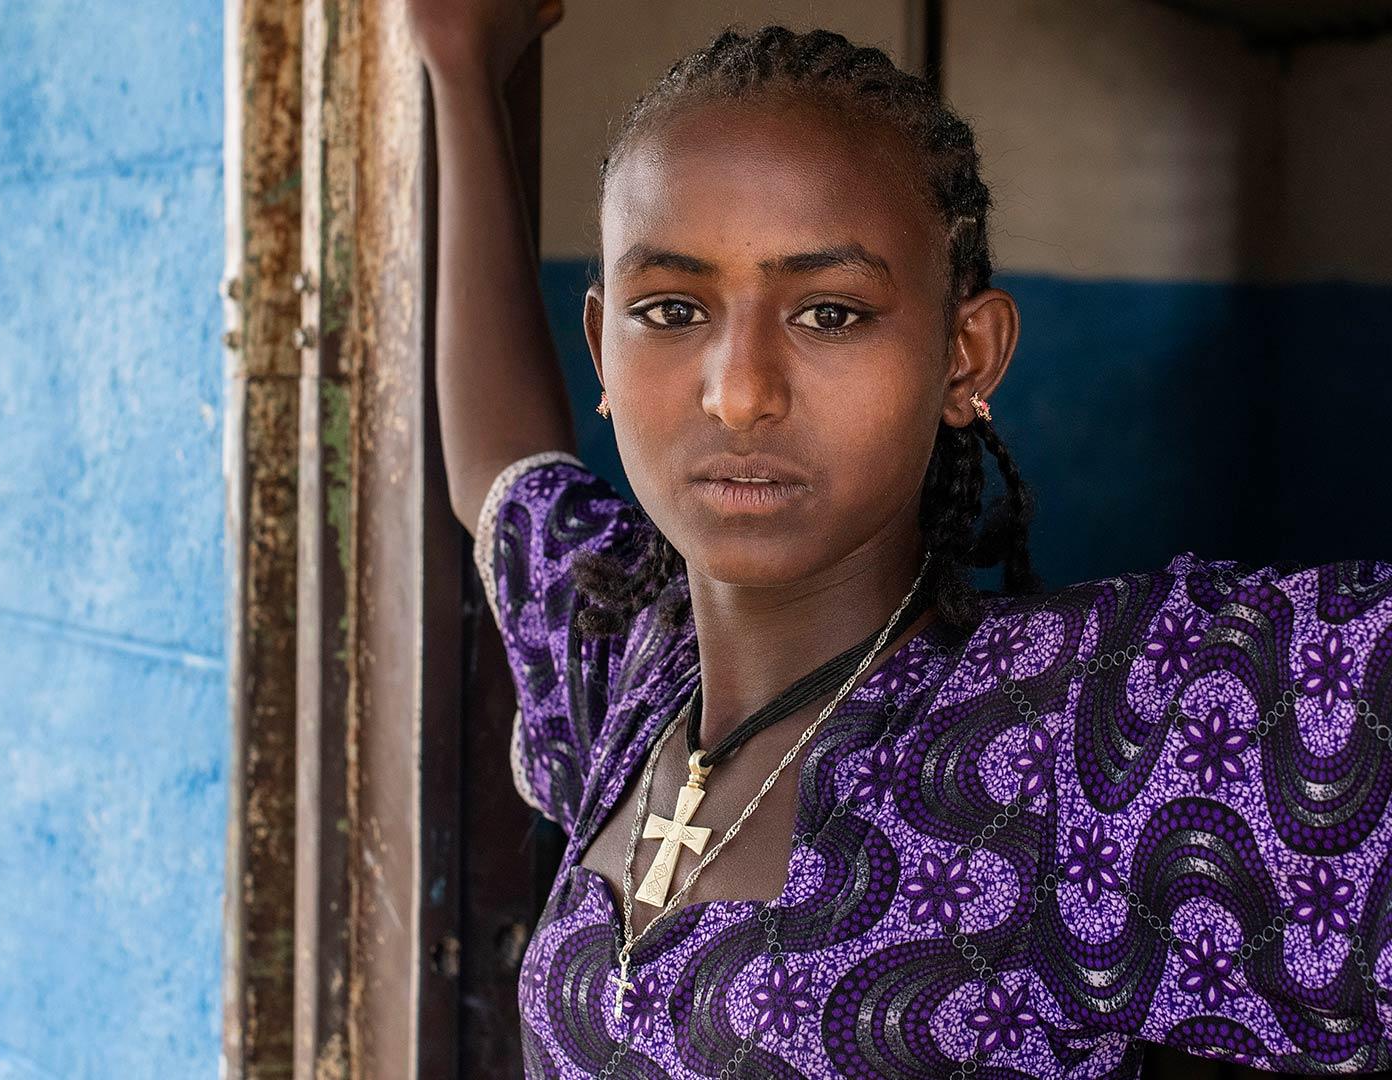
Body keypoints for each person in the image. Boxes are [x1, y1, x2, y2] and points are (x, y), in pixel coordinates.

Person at [408, 2, 1392, 1075]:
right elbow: (506, 482)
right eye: (672, 309)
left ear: (965, 356)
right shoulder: (634, 679)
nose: (736, 393)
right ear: (603, 347)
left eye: (828, 311)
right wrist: (463, 70)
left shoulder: (1095, 735)